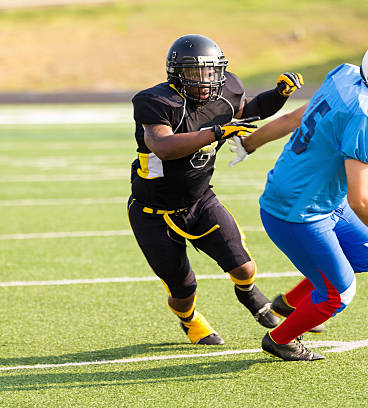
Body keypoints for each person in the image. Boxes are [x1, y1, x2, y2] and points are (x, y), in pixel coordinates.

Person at [228, 37, 368, 360]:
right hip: (298, 212)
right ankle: (280, 339)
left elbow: (297, 118)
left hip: (317, 196)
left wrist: (251, 142)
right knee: (339, 294)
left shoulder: (347, 76)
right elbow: (361, 200)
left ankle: (291, 303)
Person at [127, 34, 304, 345]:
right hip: (152, 211)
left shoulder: (227, 91)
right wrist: (215, 132)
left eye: (210, 72)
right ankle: (190, 320)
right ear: (176, 74)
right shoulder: (155, 101)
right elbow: (164, 146)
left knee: (244, 265)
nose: (204, 80)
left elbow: (251, 108)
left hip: (199, 199)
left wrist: (279, 94)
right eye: (194, 73)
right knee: (183, 290)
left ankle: (249, 295)